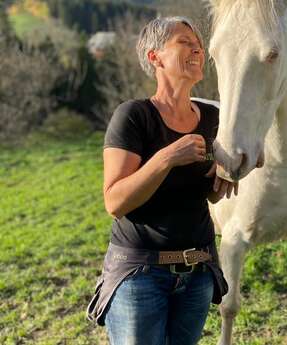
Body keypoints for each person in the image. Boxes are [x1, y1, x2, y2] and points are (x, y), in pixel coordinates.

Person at [86, 16, 235, 345]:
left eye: (198, 44)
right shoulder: (134, 115)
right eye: (184, 42)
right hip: (140, 275)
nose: (198, 48)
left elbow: (207, 196)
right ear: (155, 57)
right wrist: (167, 157)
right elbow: (115, 202)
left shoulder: (212, 118)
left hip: (198, 272)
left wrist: (232, 171)